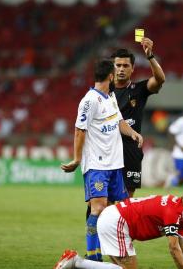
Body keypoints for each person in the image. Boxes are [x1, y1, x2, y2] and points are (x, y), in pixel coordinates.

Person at [61, 59, 143, 262]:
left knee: (121, 209)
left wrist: (132, 133)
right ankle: (93, 257)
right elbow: (79, 131)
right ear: (110, 76)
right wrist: (77, 159)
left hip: (115, 165)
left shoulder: (111, 96)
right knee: (98, 208)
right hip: (97, 166)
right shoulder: (89, 101)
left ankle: (117, 252)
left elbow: (118, 121)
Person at [54, 187, 183, 269]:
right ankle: (75, 262)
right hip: (116, 222)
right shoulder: (173, 212)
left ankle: (75, 262)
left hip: (117, 221)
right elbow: (174, 249)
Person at [110, 39, 165, 198]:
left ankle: (123, 223)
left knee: (126, 199)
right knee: (104, 198)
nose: (121, 69)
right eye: (118, 65)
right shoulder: (104, 91)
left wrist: (150, 56)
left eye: (125, 66)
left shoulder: (139, 89)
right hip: (107, 148)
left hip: (130, 149)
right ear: (112, 68)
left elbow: (160, 79)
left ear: (132, 68)